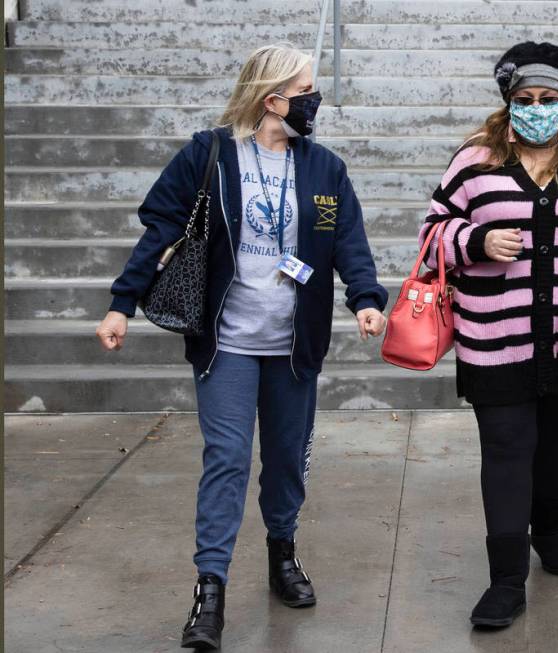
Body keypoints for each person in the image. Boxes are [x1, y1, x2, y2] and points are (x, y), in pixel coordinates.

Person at [95, 43, 388, 650]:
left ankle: (282, 552)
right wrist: (122, 302)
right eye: (306, 89)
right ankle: (210, 589)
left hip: (292, 345)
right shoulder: (209, 154)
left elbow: (348, 242)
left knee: (285, 459)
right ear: (272, 96)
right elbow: (162, 229)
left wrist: (365, 297)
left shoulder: (324, 167)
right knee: (226, 460)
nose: (315, 99)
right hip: (225, 341)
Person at [418, 42, 558, 628]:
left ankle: (550, 528)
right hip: (494, 337)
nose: (537, 107)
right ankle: (506, 581)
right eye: (524, 98)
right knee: (508, 451)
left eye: (548, 98)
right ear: (508, 102)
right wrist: (475, 241)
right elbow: (431, 233)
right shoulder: (474, 161)